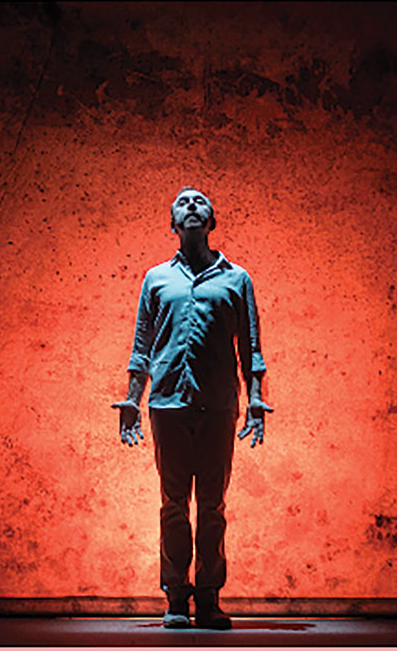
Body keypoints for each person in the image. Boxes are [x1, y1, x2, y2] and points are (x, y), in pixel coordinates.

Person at [112, 186, 273, 630]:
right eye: (182, 203)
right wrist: (131, 398)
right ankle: (176, 599)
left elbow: (252, 347)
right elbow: (141, 345)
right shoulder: (155, 279)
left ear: (212, 221)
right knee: (173, 505)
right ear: (172, 224)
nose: (192, 206)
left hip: (219, 405)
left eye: (200, 202)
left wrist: (256, 399)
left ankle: (209, 599)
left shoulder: (237, 279)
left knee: (213, 505)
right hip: (167, 404)